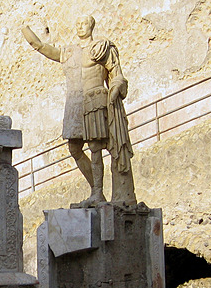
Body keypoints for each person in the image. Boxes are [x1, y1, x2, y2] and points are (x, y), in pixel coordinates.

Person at [22, 15, 136, 206]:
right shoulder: (68, 52)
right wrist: (24, 29)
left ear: (92, 26)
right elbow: (41, 47)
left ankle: (98, 193)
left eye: (84, 23)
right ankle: (95, 189)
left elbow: (117, 74)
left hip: (95, 100)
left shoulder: (101, 48)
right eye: (77, 24)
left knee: (95, 147)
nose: (80, 27)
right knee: (74, 148)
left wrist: (116, 87)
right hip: (75, 104)